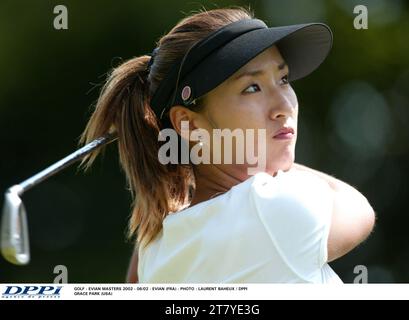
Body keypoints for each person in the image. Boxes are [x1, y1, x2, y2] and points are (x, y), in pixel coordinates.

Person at [80, 7, 375, 283]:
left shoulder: (154, 249)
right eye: (252, 88)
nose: (284, 106)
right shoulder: (275, 207)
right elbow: (359, 209)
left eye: (283, 79)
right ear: (189, 124)